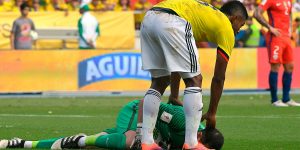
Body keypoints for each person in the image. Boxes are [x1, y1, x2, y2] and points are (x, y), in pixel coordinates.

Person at [139, 0, 247, 149]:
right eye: (240, 25)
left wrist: (174, 95)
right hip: (172, 21)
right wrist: (212, 112)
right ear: (234, 18)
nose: (239, 30)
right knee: (195, 80)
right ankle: (191, 143)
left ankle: (147, 142)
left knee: (159, 82)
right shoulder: (226, 27)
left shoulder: (204, 17)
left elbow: (177, 62)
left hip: (149, 19)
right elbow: (219, 78)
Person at [0, 99, 224, 150]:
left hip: (151, 130)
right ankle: (82, 140)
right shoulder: (183, 121)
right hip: (137, 112)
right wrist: (139, 134)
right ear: (201, 138)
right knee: (127, 143)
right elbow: (148, 102)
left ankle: (23, 143)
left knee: (84, 146)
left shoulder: (189, 143)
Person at [254, 0, 300, 107]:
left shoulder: (289, 1)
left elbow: (289, 15)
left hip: (286, 37)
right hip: (276, 37)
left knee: (290, 66)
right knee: (275, 66)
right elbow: (256, 13)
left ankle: (286, 98)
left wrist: (290, 31)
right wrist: (270, 28)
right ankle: (274, 100)